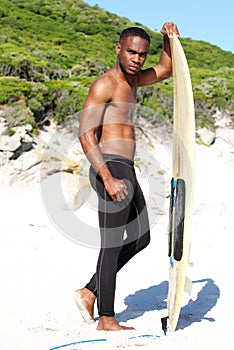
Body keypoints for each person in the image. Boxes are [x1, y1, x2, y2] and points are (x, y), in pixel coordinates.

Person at [75, 22, 179, 331]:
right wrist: (106, 177)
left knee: (141, 236)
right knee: (111, 244)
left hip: (126, 168)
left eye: (142, 54)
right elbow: (85, 134)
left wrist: (167, 40)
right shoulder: (105, 84)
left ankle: (90, 290)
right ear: (119, 49)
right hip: (110, 166)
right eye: (131, 51)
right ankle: (107, 319)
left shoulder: (134, 81)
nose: (137, 58)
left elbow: (166, 69)